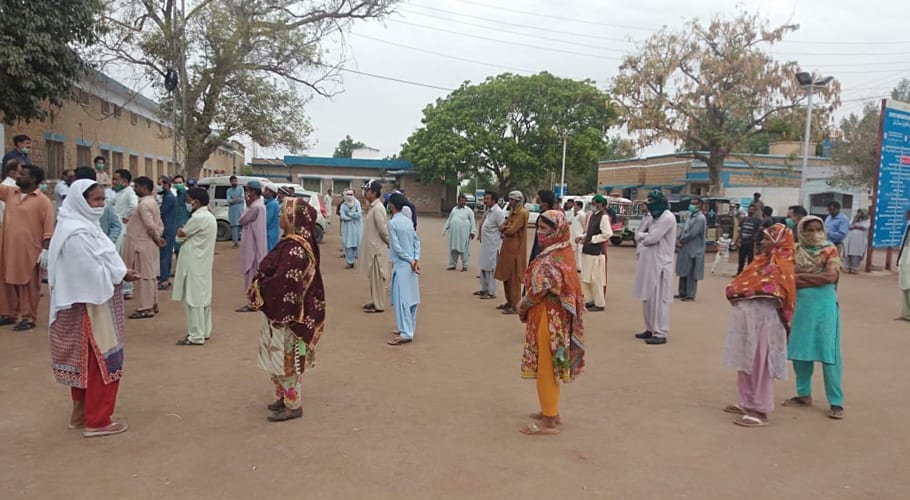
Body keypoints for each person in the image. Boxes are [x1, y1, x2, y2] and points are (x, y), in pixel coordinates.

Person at [48, 179, 141, 437]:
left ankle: (81, 413)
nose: (100, 205)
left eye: (103, 200)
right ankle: (97, 420)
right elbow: (89, 271)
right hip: (90, 305)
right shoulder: (75, 233)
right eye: (95, 200)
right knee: (101, 359)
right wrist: (119, 275)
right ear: (81, 201)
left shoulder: (84, 226)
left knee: (85, 360)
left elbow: (104, 259)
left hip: (92, 303)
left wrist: (121, 272)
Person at [249, 197, 326, 422]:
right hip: (287, 313)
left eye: (284, 212)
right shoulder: (294, 242)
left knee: (287, 360)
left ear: (294, 217)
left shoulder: (294, 249)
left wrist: (260, 283)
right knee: (280, 360)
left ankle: (293, 405)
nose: (280, 216)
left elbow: (284, 285)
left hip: (288, 316)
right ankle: (283, 397)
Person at [517, 210, 586, 436]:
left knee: (547, 366)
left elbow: (538, 291)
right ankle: (551, 412)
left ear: (557, 230)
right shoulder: (561, 251)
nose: (539, 234)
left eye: (545, 229)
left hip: (549, 317)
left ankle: (548, 421)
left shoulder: (554, 258)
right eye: (538, 228)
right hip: (550, 316)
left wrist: (523, 304)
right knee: (547, 364)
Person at [722, 223, 796, 427]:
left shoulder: (783, 264)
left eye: (766, 239)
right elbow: (739, 284)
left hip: (768, 321)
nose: (762, 242)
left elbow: (778, 293)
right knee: (746, 359)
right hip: (748, 318)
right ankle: (747, 401)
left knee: (761, 362)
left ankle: (760, 409)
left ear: (777, 241)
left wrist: (745, 291)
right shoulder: (760, 261)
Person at [783, 216, 845, 420]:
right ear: (801, 231)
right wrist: (813, 279)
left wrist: (799, 278)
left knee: (829, 353)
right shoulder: (795, 250)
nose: (815, 233)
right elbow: (786, 277)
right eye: (809, 230)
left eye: (819, 229)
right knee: (801, 351)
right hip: (801, 306)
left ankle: (836, 402)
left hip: (825, 307)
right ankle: (803, 394)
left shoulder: (830, 249)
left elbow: (830, 277)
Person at [0, 165, 56, 331]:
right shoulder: (11, 193)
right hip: (8, 248)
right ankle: (9, 313)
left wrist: (45, 250)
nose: (18, 176)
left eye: (22, 174)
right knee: (6, 281)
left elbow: (48, 229)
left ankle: (28, 317)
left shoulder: (43, 201)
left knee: (28, 284)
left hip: (30, 250)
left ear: (33, 179)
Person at [173, 187, 218, 345]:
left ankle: (196, 335)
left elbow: (180, 236)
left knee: (193, 300)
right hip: (202, 263)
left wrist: (181, 233)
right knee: (203, 298)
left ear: (196, 202)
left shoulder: (198, 217)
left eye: (189, 200)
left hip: (193, 263)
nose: (188, 203)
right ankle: (204, 330)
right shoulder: (210, 217)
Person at [632, 189, 676, 345]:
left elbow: (652, 238)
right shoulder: (653, 217)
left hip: (661, 264)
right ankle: (650, 328)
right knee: (647, 297)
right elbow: (638, 234)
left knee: (659, 299)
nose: (649, 204)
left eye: (652, 200)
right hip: (649, 263)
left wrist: (643, 236)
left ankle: (660, 332)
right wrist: (644, 236)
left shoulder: (667, 218)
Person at [123, 176, 165, 319]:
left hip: (143, 245)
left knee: (143, 277)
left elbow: (151, 225)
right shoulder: (151, 202)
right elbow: (159, 225)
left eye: (136, 186)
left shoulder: (144, 205)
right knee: (150, 276)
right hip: (147, 243)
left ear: (142, 187)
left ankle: (145, 308)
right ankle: (152, 303)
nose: (134, 189)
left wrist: (156, 238)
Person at [386, 193, 421, 346]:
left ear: (392, 205)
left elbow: (396, 247)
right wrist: (415, 259)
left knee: (402, 301)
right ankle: (407, 327)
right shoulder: (408, 221)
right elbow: (417, 241)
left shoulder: (392, 223)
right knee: (412, 299)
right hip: (411, 265)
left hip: (402, 265)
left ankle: (406, 333)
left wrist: (410, 259)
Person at [495, 191, 529, 315]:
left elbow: (512, 230)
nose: (510, 202)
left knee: (514, 277)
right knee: (506, 276)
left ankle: (515, 304)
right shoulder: (512, 212)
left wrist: (505, 228)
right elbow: (503, 226)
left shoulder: (522, 213)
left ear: (517, 200)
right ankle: (509, 301)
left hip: (516, 250)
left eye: (512, 200)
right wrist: (505, 227)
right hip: (507, 248)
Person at [576, 195, 612, 312]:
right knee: (586, 278)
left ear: (600, 204)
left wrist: (593, 239)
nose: (593, 205)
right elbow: (589, 232)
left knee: (596, 279)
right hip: (587, 251)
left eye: (594, 203)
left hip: (596, 252)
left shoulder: (604, 217)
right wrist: (582, 238)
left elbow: (607, 233)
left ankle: (599, 303)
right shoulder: (593, 215)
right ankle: (589, 300)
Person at [236, 180, 267, 312]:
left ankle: (252, 302)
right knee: (255, 275)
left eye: (248, 190)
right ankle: (255, 301)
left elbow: (242, 220)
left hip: (253, 245)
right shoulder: (260, 205)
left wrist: (247, 206)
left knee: (251, 275)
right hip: (256, 244)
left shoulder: (255, 207)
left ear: (253, 192)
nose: (246, 193)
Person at [360, 180, 390, 314]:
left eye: (367, 190)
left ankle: (379, 305)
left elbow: (383, 231)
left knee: (378, 278)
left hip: (377, 250)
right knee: (373, 278)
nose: (365, 193)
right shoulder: (373, 207)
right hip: (372, 249)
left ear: (374, 193)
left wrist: (391, 245)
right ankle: (375, 301)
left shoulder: (378, 209)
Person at [74, 166, 121, 243]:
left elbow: (116, 226)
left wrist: (108, 243)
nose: (101, 203)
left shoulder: (106, 204)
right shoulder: (71, 206)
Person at [112, 169, 138, 299]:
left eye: (116, 179)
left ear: (125, 181)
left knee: (122, 256)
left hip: (123, 228)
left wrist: (127, 216)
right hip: (117, 226)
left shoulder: (129, 193)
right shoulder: (119, 193)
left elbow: (134, 205)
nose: (114, 182)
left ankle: (127, 288)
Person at [676, 198, 707, 301]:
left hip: (694, 249)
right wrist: (678, 240)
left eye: (695, 204)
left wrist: (682, 241)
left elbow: (693, 233)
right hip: (685, 248)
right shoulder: (690, 216)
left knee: (691, 273)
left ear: (700, 205)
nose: (692, 205)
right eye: (691, 203)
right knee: (683, 271)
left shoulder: (700, 218)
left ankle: (690, 294)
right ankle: (682, 292)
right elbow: (684, 230)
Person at [476, 191, 505, 300]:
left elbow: (502, 228)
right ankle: (484, 289)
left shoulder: (498, 212)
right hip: (485, 244)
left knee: (491, 268)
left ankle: (491, 292)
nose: (485, 200)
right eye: (485, 198)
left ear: (494, 200)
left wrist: (499, 243)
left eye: (487, 199)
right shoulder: (488, 211)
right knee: (483, 266)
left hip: (493, 245)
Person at [444, 194, 477, 271]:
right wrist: (445, 228)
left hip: (464, 234)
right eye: (461, 200)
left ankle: (465, 265)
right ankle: (452, 265)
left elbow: (473, 222)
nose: (463, 202)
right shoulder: (454, 209)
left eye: (464, 201)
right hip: (454, 234)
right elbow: (449, 219)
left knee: (464, 249)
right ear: (458, 201)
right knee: (453, 249)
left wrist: (473, 232)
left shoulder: (469, 211)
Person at [157, 176, 177, 290]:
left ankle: (164, 279)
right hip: (169, 227)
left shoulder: (169, 197)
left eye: (162, 184)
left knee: (164, 254)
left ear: (167, 185)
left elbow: (162, 212)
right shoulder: (168, 196)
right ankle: (166, 278)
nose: (161, 187)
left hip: (167, 228)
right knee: (167, 254)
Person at [528, 190, 557, 263]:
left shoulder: (551, 217)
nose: (538, 205)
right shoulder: (542, 215)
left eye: (539, 202)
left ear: (546, 203)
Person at [340, 188, 363, 269]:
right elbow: (343, 216)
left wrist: (349, 214)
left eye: (351, 194)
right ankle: (350, 262)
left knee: (358, 244)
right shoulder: (343, 206)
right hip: (347, 229)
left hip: (356, 228)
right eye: (348, 195)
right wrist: (352, 217)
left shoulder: (357, 203)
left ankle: (360, 262)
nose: (350, 196)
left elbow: (359, 214)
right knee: (348, 244)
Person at [736, 204, 762, 274]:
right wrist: (737, 240)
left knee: (750, 259)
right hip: (743, 242)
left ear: (755, 211)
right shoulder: (744, 219)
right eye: (750, 209)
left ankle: (748, 274)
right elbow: (740, 230)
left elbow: (758, 231)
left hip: (750, 243)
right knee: (741, 259)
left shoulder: (757, 221)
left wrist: (754, 240)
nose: (751, 211)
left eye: (753, 210)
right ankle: (739, 273)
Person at [843, 209, 869, 273]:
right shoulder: (853, 218)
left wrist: (855, 227)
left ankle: (855, 268)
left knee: (857, 253)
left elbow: (864, 227)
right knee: (848, 252)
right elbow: (850, 226)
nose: (859, 214)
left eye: (861, 213)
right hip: (850, 239)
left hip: (860, 240)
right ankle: (847, 267)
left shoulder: (867, 220)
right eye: (858, 212)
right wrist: (855, 219)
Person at [0, 158, 23, 226]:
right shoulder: (5, 187)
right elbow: (3, 211)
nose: (23, 174)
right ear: (12, 172)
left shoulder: (18, 186)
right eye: (21, 172)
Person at [172, 175, 191, 257]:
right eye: (176, 183)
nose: (178, 185)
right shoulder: (172, 193)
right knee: (176, 245)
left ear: (183, 183)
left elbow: (190, 207)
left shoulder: (187, 193)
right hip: (174, 221)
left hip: (184, 221)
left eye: (180, 183)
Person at [898, 210, 910, 321]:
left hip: (908, 257)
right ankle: (906, 313)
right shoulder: (907, 225)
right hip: (905, 256)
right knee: (905, 285)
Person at [226, 176, 244, 248]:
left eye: (235, 181)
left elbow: (242, 199)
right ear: (230, 182)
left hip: (240, 211)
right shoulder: (228, 191)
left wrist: (233, 200)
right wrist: (235, 199)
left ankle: (245, 242)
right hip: (233, 212)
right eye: (233, 181)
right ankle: (235, 243)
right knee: (234, 227)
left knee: (243, 227)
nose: (234, 182)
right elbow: (228, 201)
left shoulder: (240, 189)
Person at [262, 183, 281, 252]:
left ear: (272, 193)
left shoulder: (272, 204)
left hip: (270, 233)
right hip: (271, 232)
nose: (264, 191)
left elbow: (267, 220)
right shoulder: (269, 203)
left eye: (266, 190)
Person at [570, 200, 585, 271]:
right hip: (574, 236)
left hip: (579, 236)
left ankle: (580, 267)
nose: (574, 207)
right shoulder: (575, 215)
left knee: (579, 252)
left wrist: (582, 235)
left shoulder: (582, 215)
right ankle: (576, 266)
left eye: (575, 205)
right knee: (574, 251)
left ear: (579, 206)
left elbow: (584, 226)